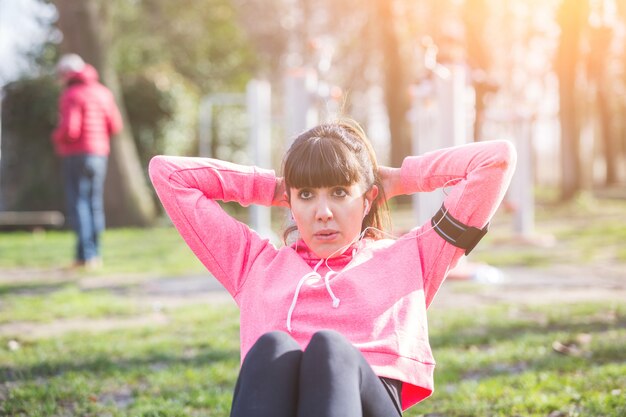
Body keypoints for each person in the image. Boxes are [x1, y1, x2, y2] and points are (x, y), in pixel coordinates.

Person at [149, 120, 516, 416]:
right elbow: (168, 174)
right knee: (272, 347)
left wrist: (401, 180)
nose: (322, 212)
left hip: (368, 402)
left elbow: (494, 160)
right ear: (289, 202)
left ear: (368, 197)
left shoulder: (412, 257)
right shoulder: (254, 265)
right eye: (307, 195)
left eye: (339, 192)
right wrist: (273, 187)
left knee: (329, 349)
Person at [52, 53, 123, 269]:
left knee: (79, 204)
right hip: (99, 154)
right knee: (94, 204)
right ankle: (97, 255)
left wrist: (55, 136)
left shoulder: (71, 94)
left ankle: (84, 256)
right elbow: (115, 125)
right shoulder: (103, 92)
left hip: (76, 154)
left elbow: (71, 130)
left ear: (66, 74)